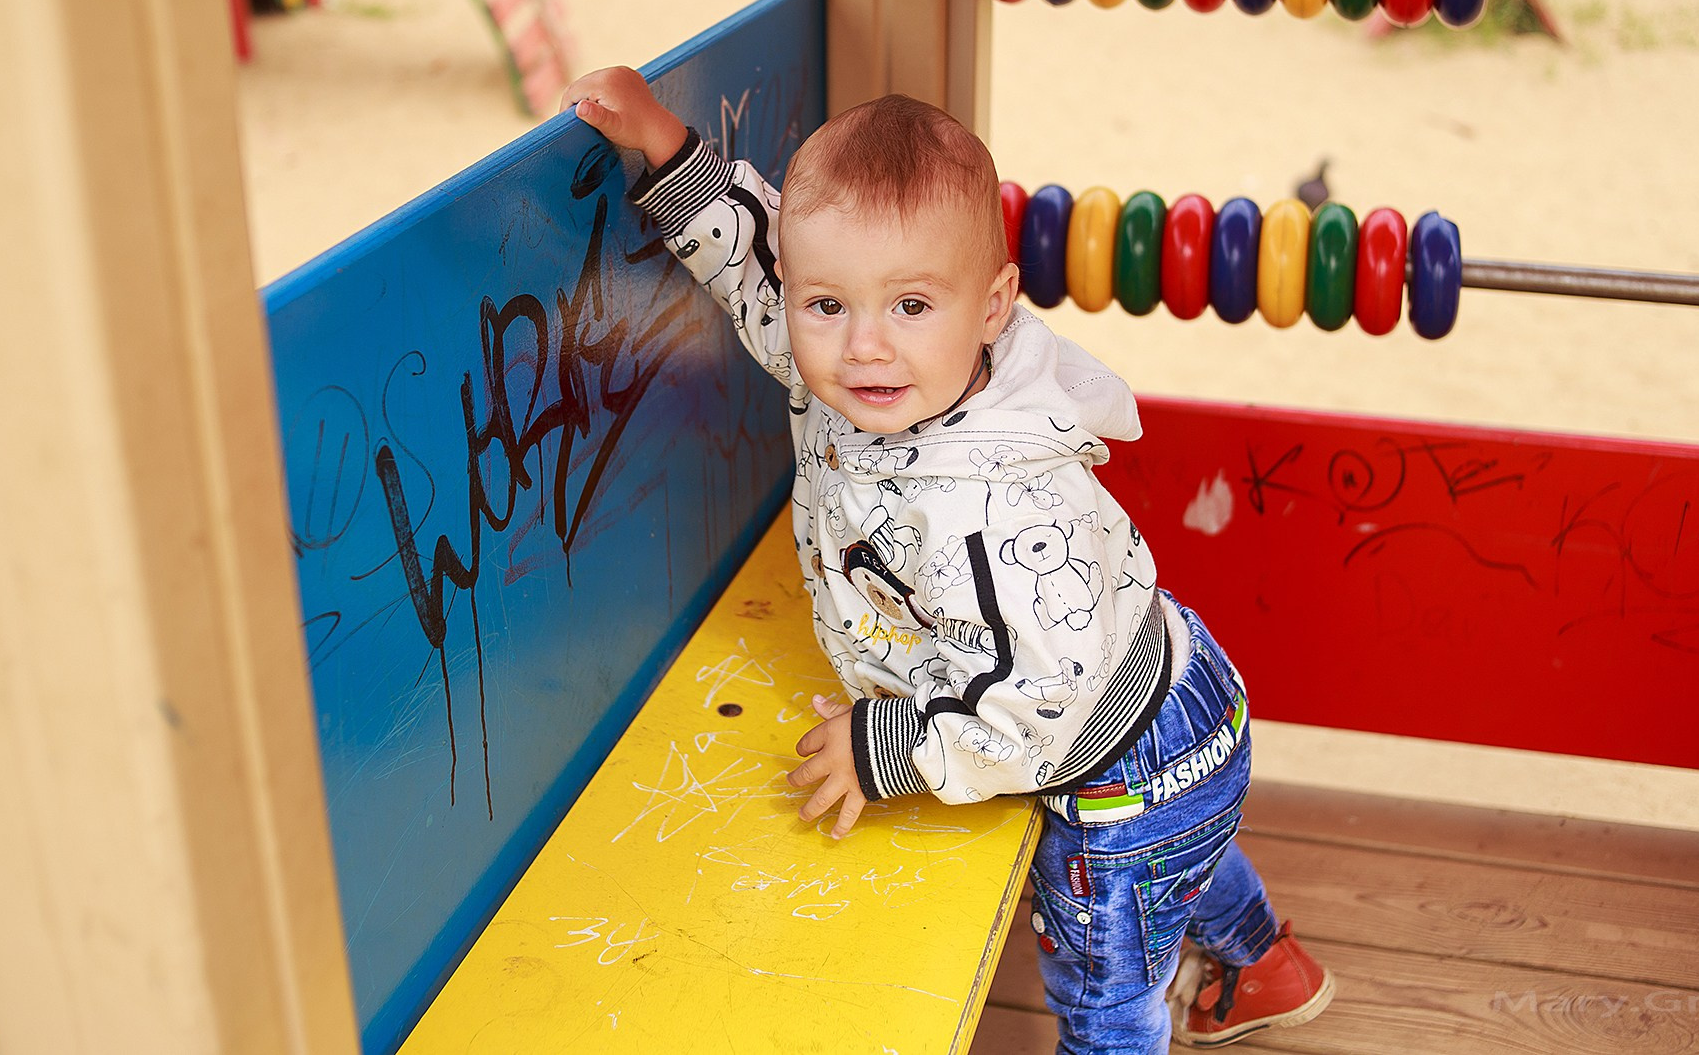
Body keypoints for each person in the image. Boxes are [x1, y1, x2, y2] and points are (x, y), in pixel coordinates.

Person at [561, 67, 1334, 1051]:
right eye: (826, 306)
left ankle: (1210, 976)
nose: (864, 348)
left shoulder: (986, 500)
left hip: (1112, 762)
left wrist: (884, 752)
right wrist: (667, 147)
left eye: (911, 307)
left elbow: (1033, 703)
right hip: (1172, 711)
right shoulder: (855, 361)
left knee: (1105, 985)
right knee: (1182, 863)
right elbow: (755, 267)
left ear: (992, 305)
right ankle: (1267, 968)